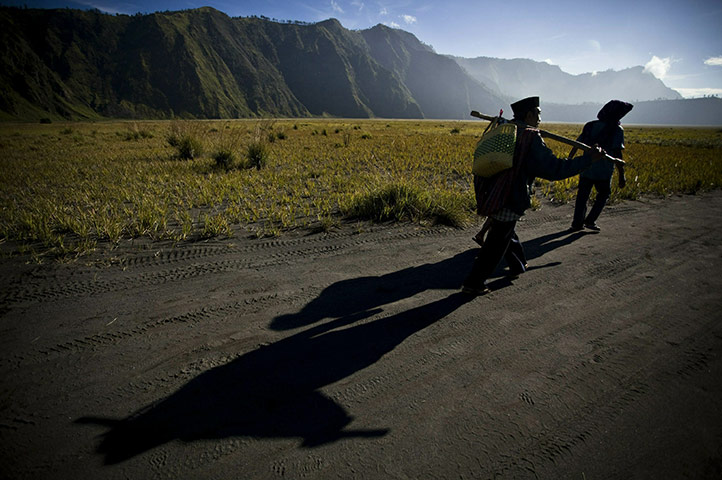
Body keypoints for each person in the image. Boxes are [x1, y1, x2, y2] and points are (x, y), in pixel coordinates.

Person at [462, 96, 609, 296]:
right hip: (510, 194)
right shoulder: (530, 137)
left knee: (505, 230)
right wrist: (588, 159)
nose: (540, 118)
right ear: (529, 114)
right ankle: (474, 282)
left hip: (493, 191)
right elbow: (554, 169)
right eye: (538, 113)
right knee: (497, 241)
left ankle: (518, 265)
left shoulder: (506, 129)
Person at [569, 100, 633, 231]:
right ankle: (590, 221)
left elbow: (578, 143)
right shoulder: (616, 129)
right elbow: (617, 154)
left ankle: (577, 223)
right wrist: (621, 175)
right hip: (603, 170)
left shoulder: (590, 125)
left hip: (586, 167)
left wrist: (569, 159)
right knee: (603, 194)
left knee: (582, 196)